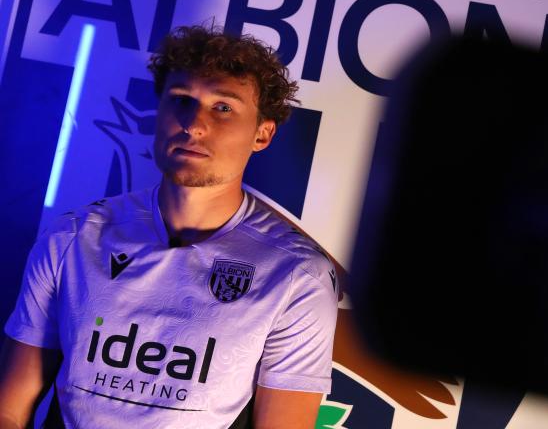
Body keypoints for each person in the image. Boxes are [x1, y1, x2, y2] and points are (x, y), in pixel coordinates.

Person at [0, 25, 339, 428]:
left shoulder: (297, 277)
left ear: (262, 134)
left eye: (223, 107)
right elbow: (10, 407)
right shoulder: (72, 238)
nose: (193, 124)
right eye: (180, 101)